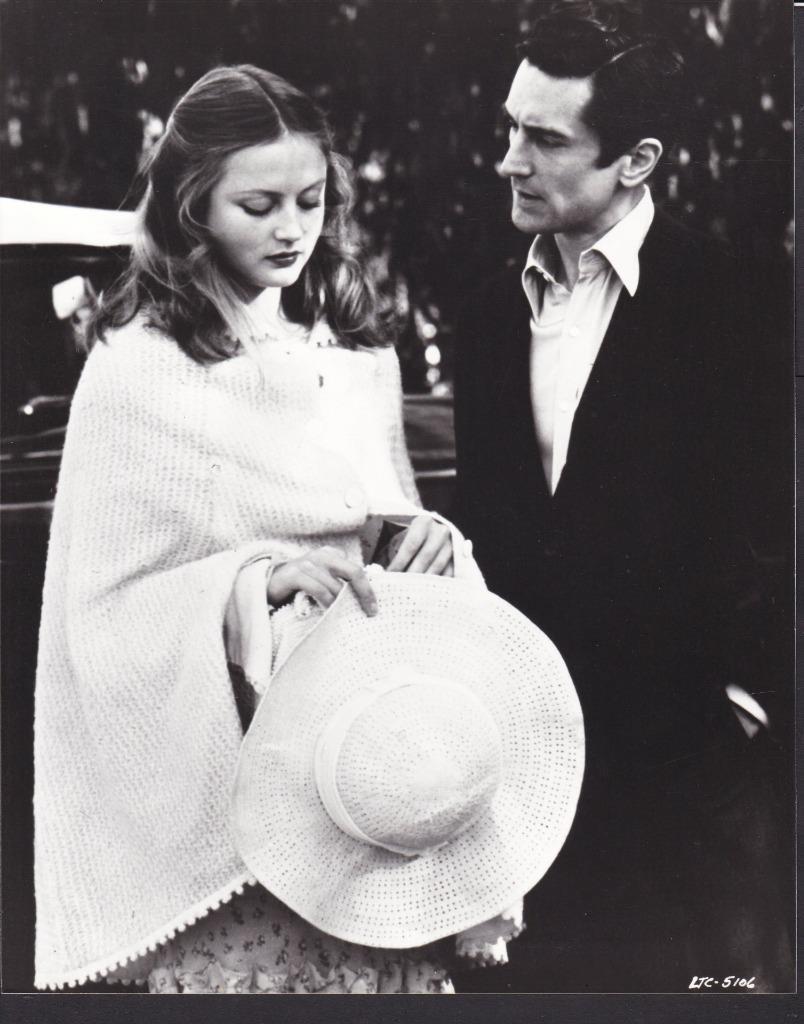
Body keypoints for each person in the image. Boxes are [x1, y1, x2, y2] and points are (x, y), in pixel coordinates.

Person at [33, 63, 476, 994]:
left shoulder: (355, 354)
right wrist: (252, 583)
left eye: (311, 201)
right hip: (236, 790)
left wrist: (429, 542)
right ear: (191, 205)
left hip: (359, 777)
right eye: (259, 205)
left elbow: (378, 517)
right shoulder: (137, 368)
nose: (291, 229)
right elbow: (101, 614)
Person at [453, 2, 793, 993]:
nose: (509, 161)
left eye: (546, 139)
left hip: (693, 787)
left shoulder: (743, 299)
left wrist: (748, 704)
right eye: (510, 128)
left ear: (637, 161)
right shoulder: (486, 313)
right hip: (522, 788)